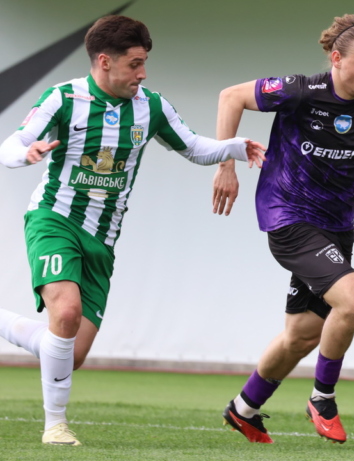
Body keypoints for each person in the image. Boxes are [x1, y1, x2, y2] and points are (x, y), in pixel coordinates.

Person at [0, 15, 266, 446]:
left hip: (103, 238)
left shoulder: (151, 106)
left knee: (70, 351)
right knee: (64, 314)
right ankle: (55, 425)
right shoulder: (64, 98)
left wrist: (234, 147)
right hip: (55, 218)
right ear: (105, 61)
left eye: (144, 63)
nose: (142, 74)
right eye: (135, 64)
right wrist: (26, 154)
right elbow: (10, 145)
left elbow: (193, 146)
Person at [212, 14, 354, 445]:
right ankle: (322, 399)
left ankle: (244, 409)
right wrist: (225, 164)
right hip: (289, 217)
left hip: (337, 227)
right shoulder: (301, 91)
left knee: (302, 335)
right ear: (337, 59)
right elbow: (231, 97)